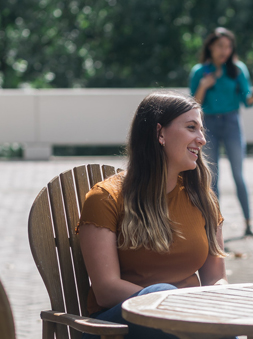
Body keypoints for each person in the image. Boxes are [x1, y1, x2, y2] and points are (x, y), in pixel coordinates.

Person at [77, 91, 228, 339]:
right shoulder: (106, 199)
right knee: (158, 294)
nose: (202, 139)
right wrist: (170, 301)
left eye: (201, 130)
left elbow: (215, 278)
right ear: (160, 133)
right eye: (191, 128)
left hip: (189, 320)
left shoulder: (202, 200)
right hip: (118, 326)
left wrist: (219, 300)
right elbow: (105, 290)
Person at [189, 27, 253, 237]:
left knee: (239, 176)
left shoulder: (237, 69)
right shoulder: (199, 71)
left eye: (228, 46)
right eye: (220, 46)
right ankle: (214, 225)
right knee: (212, 178)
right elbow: (193, 105)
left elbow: (247, 101)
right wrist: (203, 86)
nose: (225, 50)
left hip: (232, 123)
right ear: (211, 47)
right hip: (208, 125)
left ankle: (248, 224)